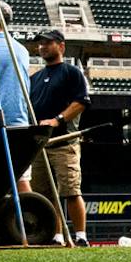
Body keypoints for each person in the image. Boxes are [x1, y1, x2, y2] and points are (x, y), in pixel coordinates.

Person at [28, 28, 91, 246]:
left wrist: (58, 119)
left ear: (61, 45)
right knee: (44, 196)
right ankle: (55, 236)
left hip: (64, 143)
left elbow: (81, 103)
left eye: (48, 42)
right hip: (40, 146)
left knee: (71, 191)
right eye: (40, 43)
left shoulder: (72, 72)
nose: (42, 46)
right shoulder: (34, 77)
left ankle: (81, 236)